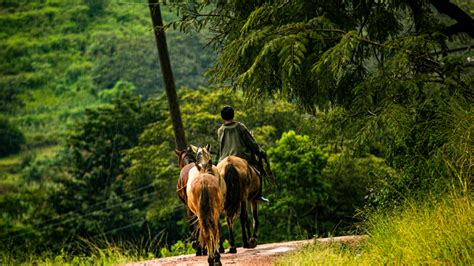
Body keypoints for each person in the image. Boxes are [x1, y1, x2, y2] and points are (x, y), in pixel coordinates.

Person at [217, 106, 269, 203]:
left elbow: (221, 146)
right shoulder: (240, 127)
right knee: (258, 170)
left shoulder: (220, 130)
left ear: (222, 117)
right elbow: (251, 143)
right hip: (242, 156)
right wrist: (260, 152)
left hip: (224, 158)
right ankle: (258, 195)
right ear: (233, 115)